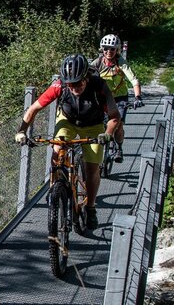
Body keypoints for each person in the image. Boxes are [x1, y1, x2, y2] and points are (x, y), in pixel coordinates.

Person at [13, 54, 121, 229]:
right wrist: (21, 131)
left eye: (78, 83)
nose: (74, 87)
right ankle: (56, 187)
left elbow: (114, 116)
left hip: (93, 124)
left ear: (86, 78)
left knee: (92, 167)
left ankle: (91, 207)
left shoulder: (99, 86)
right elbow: (34, 108)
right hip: (67, 120)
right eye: (70, 84)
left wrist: (107, 133)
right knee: (57, 150)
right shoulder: (60, 86)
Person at [89, 34, 143, 163]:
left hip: (120, 98)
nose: (109, 51)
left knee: (118, 125)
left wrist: (138, 97)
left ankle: (119, 148)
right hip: (103, 98)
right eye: (106, 48)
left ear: (117, 50)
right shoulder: (97, 63)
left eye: (112, 49)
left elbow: (133, 80)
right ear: (102, 49)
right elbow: (88, 78)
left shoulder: (121, 63)